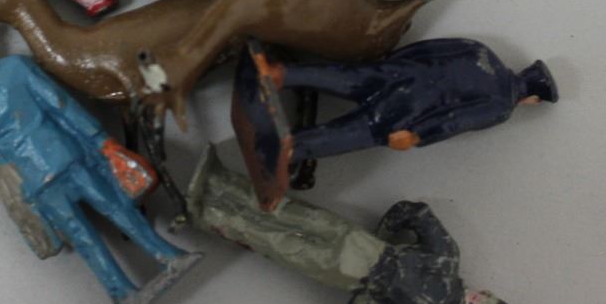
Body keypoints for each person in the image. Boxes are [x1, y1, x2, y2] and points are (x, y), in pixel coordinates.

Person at [0, 28, 201, 304]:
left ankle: (122, 294)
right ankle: (167, 255)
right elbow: (59, 104)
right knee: (116, 207)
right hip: (64, 155)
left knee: (83, 238)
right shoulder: (14, 67)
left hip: (35, 181)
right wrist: (99, 138)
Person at [187, 147, 517, 304]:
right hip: (344, 271)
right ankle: (205, 212)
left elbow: (414, 211)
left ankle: (220, 183)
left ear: (487, 295)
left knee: (287, 212)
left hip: (359, 242)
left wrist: (382, 238)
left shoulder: (447, 258)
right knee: (271, 240)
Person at [232, 38, 557, 210]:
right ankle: (291, 148)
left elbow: (431, 48)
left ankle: (278, 74)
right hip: (415, 109)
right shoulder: (501, 106)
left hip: (405, 72)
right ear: (532, 98)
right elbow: (456, 120)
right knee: (361, 130)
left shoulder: (483, 51)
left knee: (347, 78)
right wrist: (417, 136)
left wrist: (395, 62)